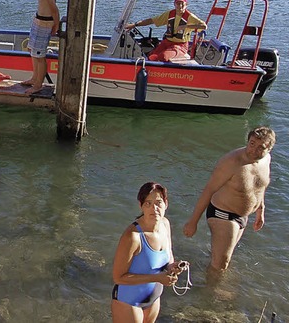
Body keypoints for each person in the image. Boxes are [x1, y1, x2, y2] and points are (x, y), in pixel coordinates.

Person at [183, 126, 275, 281]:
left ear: (269, 149)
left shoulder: (265, 160)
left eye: (261, 147)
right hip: (223, 214)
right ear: (248, 141)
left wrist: (261, 209)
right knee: (221, 264)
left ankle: (208, 280)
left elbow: (260, 186)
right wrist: (193, 222)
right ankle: (211, 296)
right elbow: (209, 189)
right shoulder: (231, 162)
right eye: (252, 143)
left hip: (242, 216)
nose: (254, 150)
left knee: (224, 257)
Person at [111, 182, 185, 323]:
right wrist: (158, 278)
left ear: (166, 203)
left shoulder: (165, 224)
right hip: (129, 301)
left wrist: (173, 267)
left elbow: (168, 257)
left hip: (153, 298)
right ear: (140, 205)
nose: (154, 209)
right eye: (148, 204)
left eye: (158, 203)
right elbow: (118, 278)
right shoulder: (133, 236)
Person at [126, 0, 206, 62]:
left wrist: (186, 26)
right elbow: (152, 20)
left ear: (186, 5)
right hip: (167, 42)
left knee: (163, 56)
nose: (180, 6)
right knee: (151, 56)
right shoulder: (169, 14)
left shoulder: (190, 17)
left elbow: (204, 26)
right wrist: (134, 25)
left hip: (180, 46)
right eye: (178, 3)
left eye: (182, 4)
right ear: (174, 4)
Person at [21, 0, 60, 94]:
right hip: (38, 20)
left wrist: (56, 25)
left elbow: (54, 8)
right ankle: (34, 78)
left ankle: (38, 85)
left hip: (45, 22)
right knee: (31, 49)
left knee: (39, 55)